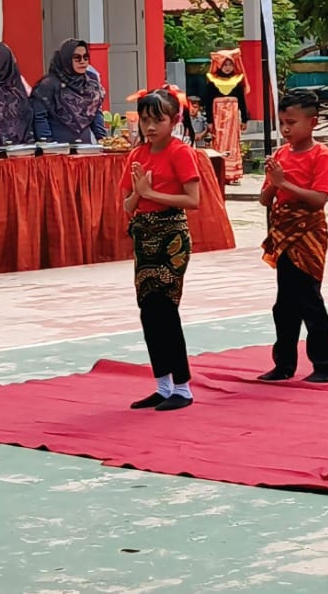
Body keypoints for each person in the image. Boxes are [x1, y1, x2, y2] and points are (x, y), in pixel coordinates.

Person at [120, 87, 202, 412]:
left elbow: (192, 200)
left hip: (171, 235)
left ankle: (182, 386)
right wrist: (140, 194)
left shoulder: (180, 152)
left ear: (174, 120)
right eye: (145, 120)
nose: (151, 127)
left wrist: (152, 193)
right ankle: (162, 384)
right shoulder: (136, 155)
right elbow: (127, 205)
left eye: (158, 120)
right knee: (148, 310)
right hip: (144, 236)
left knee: (166, 309)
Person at [257, 90, 328, 384]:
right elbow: (266, 200)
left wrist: (284, 183)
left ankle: (324, 365)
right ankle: (284, 364)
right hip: (284, 232)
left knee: (309, 301)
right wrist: (272, 183)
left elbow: (319, 200)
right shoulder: (281, 155)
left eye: (292, 122)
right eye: (282, 123)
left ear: (312, 122)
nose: (286, 129)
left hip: (308, 233)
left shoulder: (321, 155)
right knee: (284, 304)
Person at [32, 38, 107, 144]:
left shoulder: (91, 82)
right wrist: (47, 145)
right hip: (58, 149)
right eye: (77, 58)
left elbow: (95, 113)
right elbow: (40, 118)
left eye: (86, 57)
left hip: (85, 149)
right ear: (66, 59)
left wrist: (102, 140)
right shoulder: (48, 84)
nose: (83, 61)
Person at [197, 49, 249, 184]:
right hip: (217, 115)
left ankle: (233, 174)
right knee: (218, 141)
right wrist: (209, 120)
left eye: (230, 65)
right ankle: (221, 172)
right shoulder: (213, 80)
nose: (227, 68)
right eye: (225, 65)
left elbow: (242, 101)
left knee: (233, 142)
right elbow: (208, 102)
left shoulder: (237, 80)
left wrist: (244, 119)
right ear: (220, 65)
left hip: (232, 116)